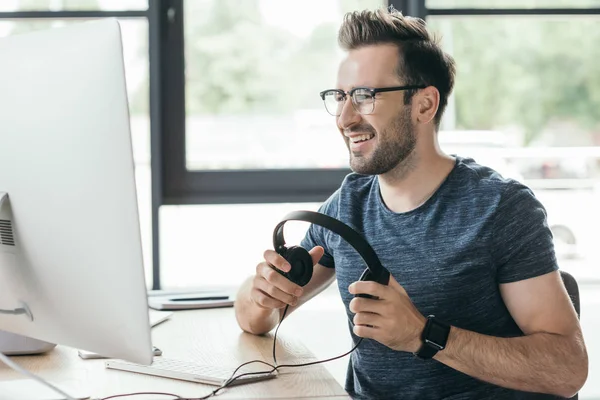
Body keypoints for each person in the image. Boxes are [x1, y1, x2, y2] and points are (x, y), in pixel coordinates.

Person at [234, 7, 588, 399]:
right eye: (339, 97)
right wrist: (261, 295)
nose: (345, 117)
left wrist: (424, 335)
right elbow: (254, 319)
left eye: (365, 96)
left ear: (424, 105)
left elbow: (567, 368)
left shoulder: (500, 209)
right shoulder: (346, 206)